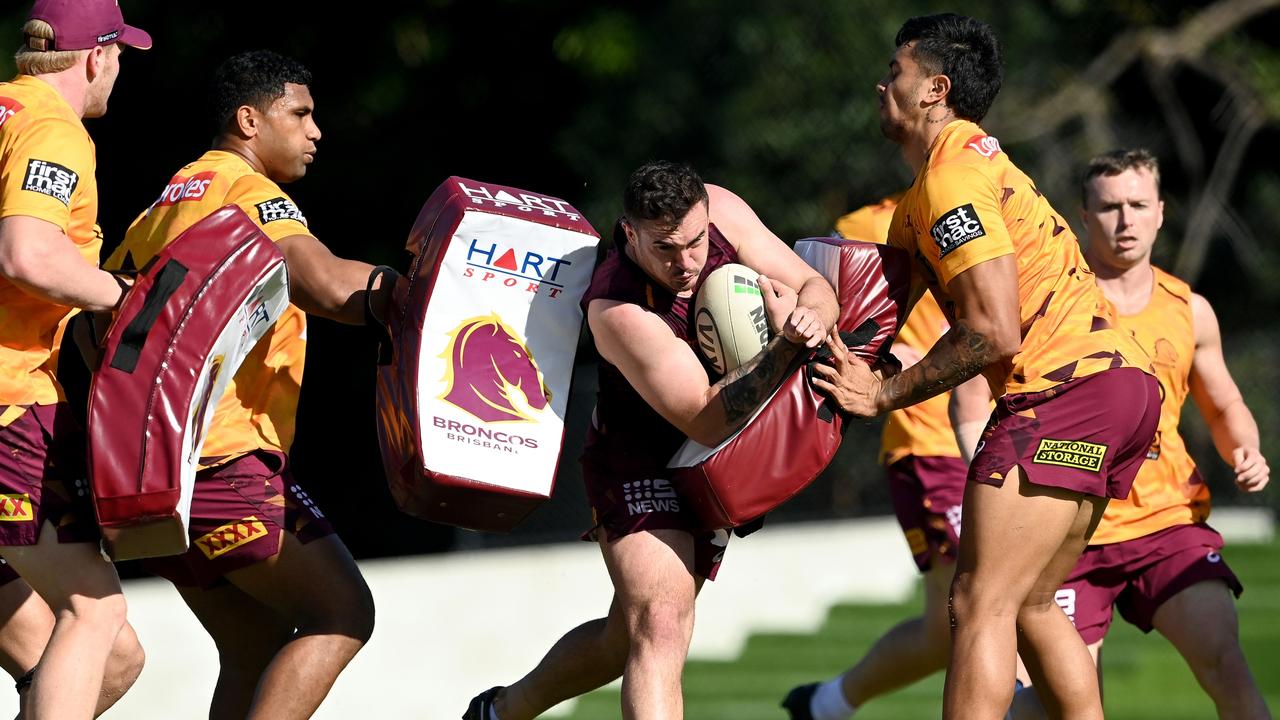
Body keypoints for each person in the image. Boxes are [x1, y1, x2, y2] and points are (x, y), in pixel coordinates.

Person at [808, 14, 1160, 719]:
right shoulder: (940, 186)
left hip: (1064, 393)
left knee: (977, 601)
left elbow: (992, 331)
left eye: (897, 71)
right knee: (1029, 602)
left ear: (935, 89)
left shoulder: (953, 181)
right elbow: (877, 319)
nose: (884, 84)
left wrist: (883, 396)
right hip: (1124, 386)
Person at [464, 161, 839, 720]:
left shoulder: (723, 210)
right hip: (640, 464)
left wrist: (808, 318)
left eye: (695, 242)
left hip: (715, 461)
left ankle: (499, 712)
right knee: (661, 625)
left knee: (625, 640)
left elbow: (816, 286)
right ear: (629, 232)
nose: (686, 263)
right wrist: (785, 346)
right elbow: (705, 418)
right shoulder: (615, 307)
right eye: (666, 248)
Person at [103, 50, 391, 719]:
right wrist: (427, 295)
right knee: (343, 611)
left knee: (256, 640)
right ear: (248, 120)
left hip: (148, 471)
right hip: (219, 456)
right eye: (301, 114)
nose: (316, 131)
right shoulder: (247, 189)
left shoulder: (163, 204)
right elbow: (327, 285)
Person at [1008, 150, 1271, 719]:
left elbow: (1225, 404)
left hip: (1167, 523)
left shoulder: (1190, 309)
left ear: (1160, 213)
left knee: (1227, 664)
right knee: (1051, 703)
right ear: (1083, 216)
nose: (1124, 221)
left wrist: (1243, 448)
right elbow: (989, 398)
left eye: (1137, 205)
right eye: (1109, 207)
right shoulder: (1051, 304)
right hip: (1072, 532)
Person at [0, 1, 151, 716]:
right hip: (6, 400)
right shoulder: (52, 130)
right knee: (94, 613)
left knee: (111, 660)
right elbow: (28, 252)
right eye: (121, 57)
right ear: (97, 55)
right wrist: (123, 294)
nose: (118, 73)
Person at [783, 197, 985, 719]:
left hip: (997, 433)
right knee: (995, 598)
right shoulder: (868, 225)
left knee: (945, 632)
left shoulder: (996, 206)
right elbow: (809, 307)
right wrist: (892, 362)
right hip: (931, 445)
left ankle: (825, 705)